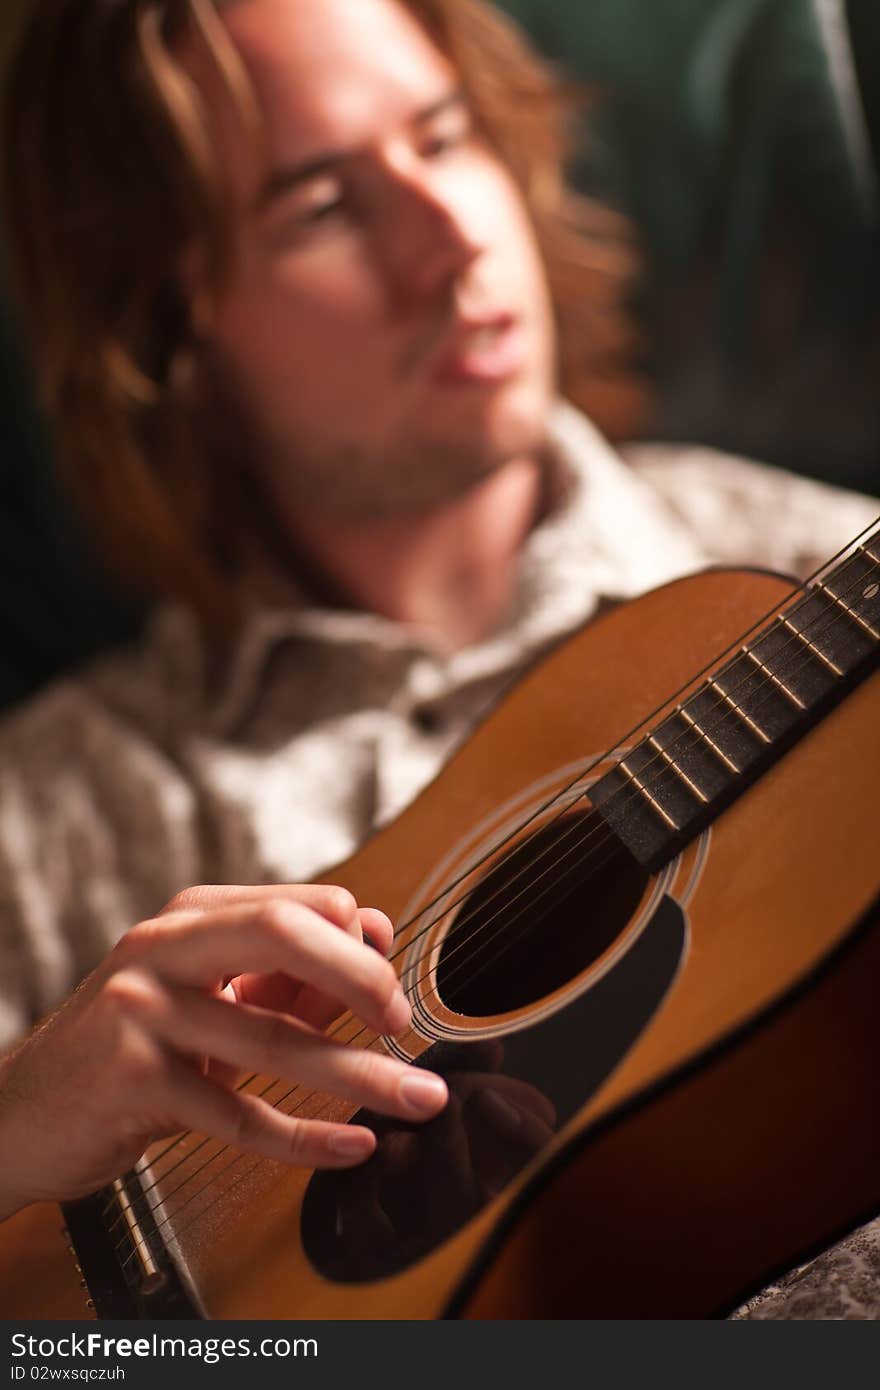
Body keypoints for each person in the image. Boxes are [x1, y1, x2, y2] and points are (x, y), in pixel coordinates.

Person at [0, 0, 877, 1316]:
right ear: (165, 326)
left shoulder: (816, 568)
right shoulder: (46, 812)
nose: (453, 234)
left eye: (447, 137)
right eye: (321, 205)